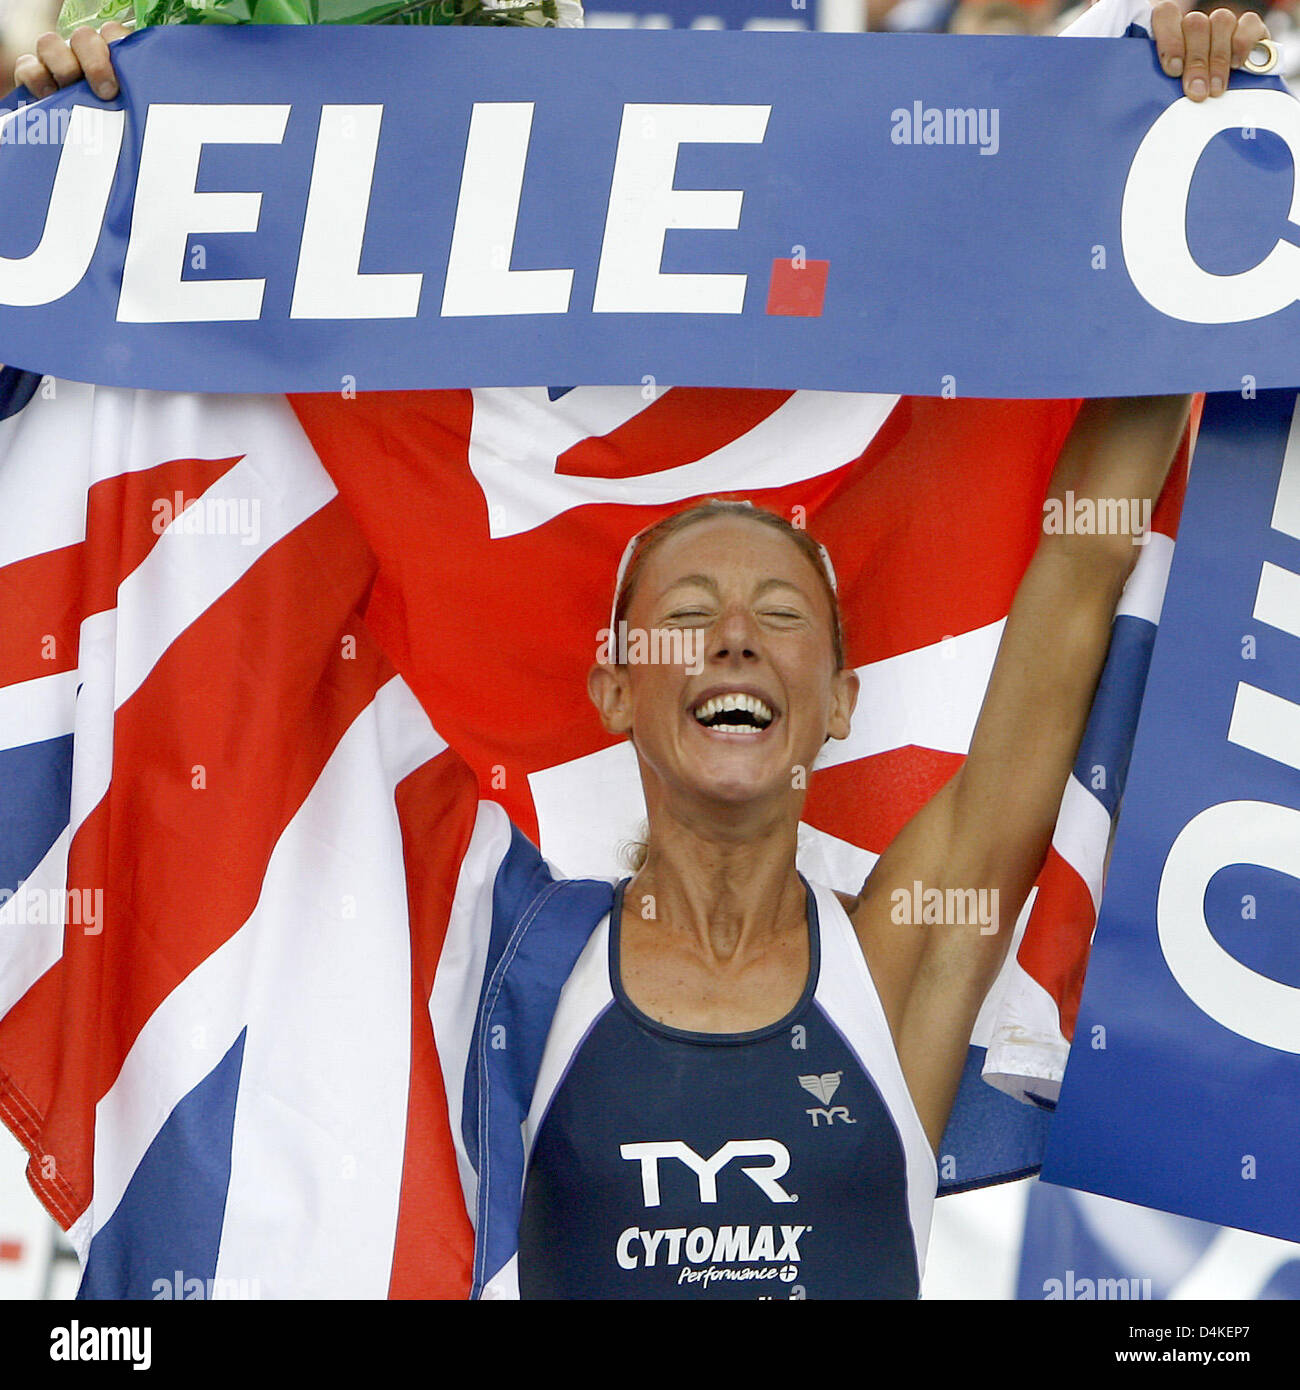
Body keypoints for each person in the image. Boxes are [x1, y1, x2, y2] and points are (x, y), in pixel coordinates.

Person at [10, 7, 1273, 1301]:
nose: (736, 633)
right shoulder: (488, 954)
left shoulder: (898, 961)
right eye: (692, 612)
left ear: (841, 697)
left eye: (783, 614)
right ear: (612, 684)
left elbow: (1075, 582)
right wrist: (93, 151)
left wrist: (1177, 235)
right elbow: (274, 644)